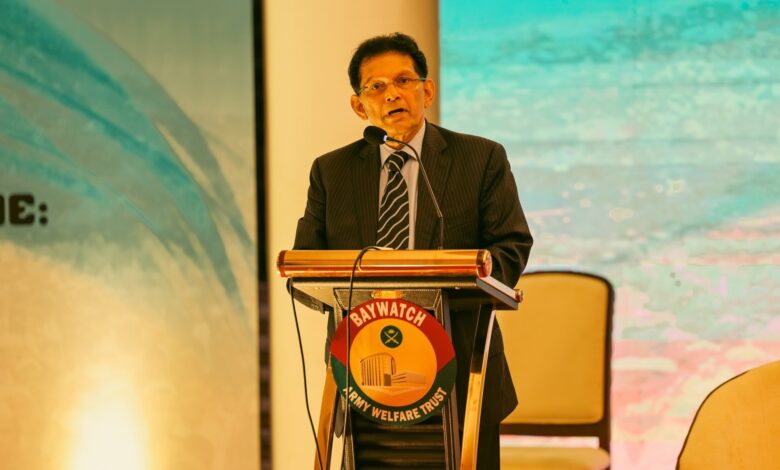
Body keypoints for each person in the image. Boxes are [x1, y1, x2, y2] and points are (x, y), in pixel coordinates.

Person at [294, 32, 533, 469]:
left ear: (428, 90)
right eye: (376, 86)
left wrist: (457, 284)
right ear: (358, 106)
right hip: (365, 370)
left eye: (404, 81)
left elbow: (511, 247)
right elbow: (307, 261)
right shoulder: (331, 171)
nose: (392, 94)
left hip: (461, 364)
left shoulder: (480, 158)